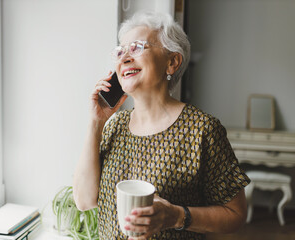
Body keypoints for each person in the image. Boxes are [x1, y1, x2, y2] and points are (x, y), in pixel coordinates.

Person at [73, 11, 250, 240]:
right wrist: (96, 122)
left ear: (172, 62)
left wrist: (176, 216)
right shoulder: (115, 125)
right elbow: (85, 201)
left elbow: (235, 214)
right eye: (120, 51)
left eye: (136, 47)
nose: (124, 58)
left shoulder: (202, 130)